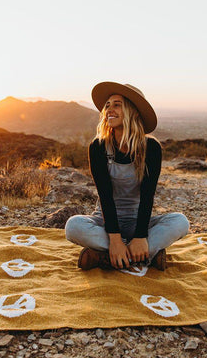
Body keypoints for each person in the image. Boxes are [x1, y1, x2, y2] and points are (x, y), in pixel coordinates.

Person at [65, 82, 189, 271]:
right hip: (105, 221)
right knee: (73, 226)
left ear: (132, 111)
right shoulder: (98, 147)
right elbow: (105, 197)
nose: (109, 110)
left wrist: (140, 236)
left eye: (117, 104)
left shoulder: (151, 148)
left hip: (139, 221)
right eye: (107, 105)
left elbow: (148, 196)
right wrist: (115, 240)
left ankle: (106, 256)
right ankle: (143, 255)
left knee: (180, 222)